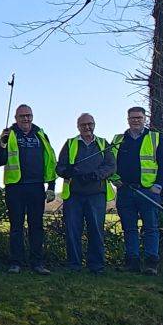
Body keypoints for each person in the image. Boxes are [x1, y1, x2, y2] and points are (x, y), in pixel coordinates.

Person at [0, 104, 57, 275]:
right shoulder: (9, 133)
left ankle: (37, 263)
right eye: (22, 116)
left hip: (37, 186)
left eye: (28, 115)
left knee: (36, 226)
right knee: (16, 227)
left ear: (33, 116)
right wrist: (1, 143)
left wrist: (51, 186)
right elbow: (0, 160)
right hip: (15, 186)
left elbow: (50, 160)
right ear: (16, 118)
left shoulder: (41, 134)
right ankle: (16, 263)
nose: (25, 118)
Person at [110, 107, 163, 275]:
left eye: (139, 117)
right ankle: (132, 262)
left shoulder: (155, 137)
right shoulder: (118, 139)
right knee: (129, 228)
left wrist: (158, 186)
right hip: (125, 190)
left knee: (151, 228)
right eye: (132, 118)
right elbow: (110, 163)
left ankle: (151, 264)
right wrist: (114, 178)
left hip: (148, 191)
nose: (135, 120)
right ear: (127, 119)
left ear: (145, 119)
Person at [56, 113, 114, 275]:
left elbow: (111, 166)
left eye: (90, 124)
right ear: (78, 127)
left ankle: (96, 266)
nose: (87, 128)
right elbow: (60, 167)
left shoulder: (103, 144)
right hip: (74, 195)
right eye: (83, 125)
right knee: (73, 231)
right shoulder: (70, 144)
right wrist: (68, 171)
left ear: (94, 124)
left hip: (96, 194)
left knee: (96, 230)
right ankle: (74, 265)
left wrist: (96, 175)